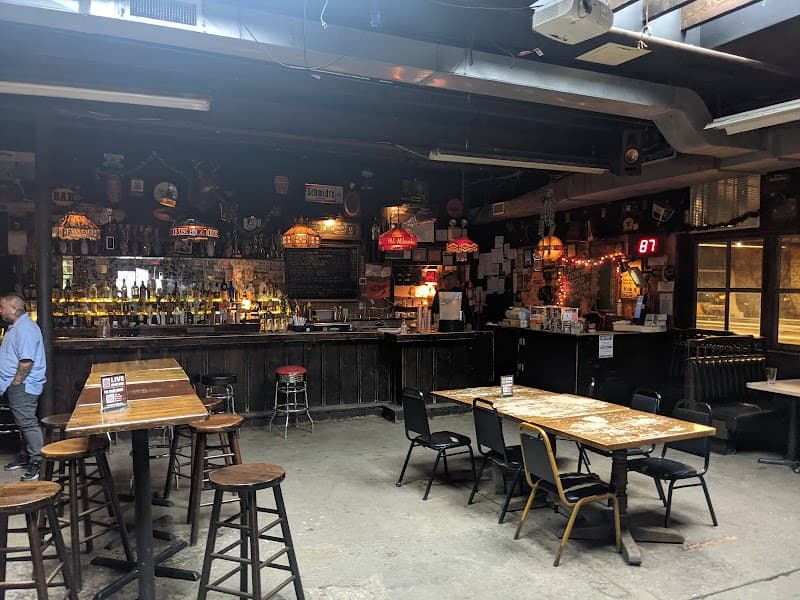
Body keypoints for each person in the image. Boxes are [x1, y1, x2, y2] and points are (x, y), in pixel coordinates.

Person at [0, 293, 46, 481]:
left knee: (27, 422)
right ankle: (25, 456)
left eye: (2, 307)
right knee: (22, 422)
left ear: (12, 308)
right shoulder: (17, 327)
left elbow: (26, 362)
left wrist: (16, 382)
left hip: (23, 385)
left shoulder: (25, 328)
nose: (0, 311)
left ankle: (38, 462)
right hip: (16, 384)